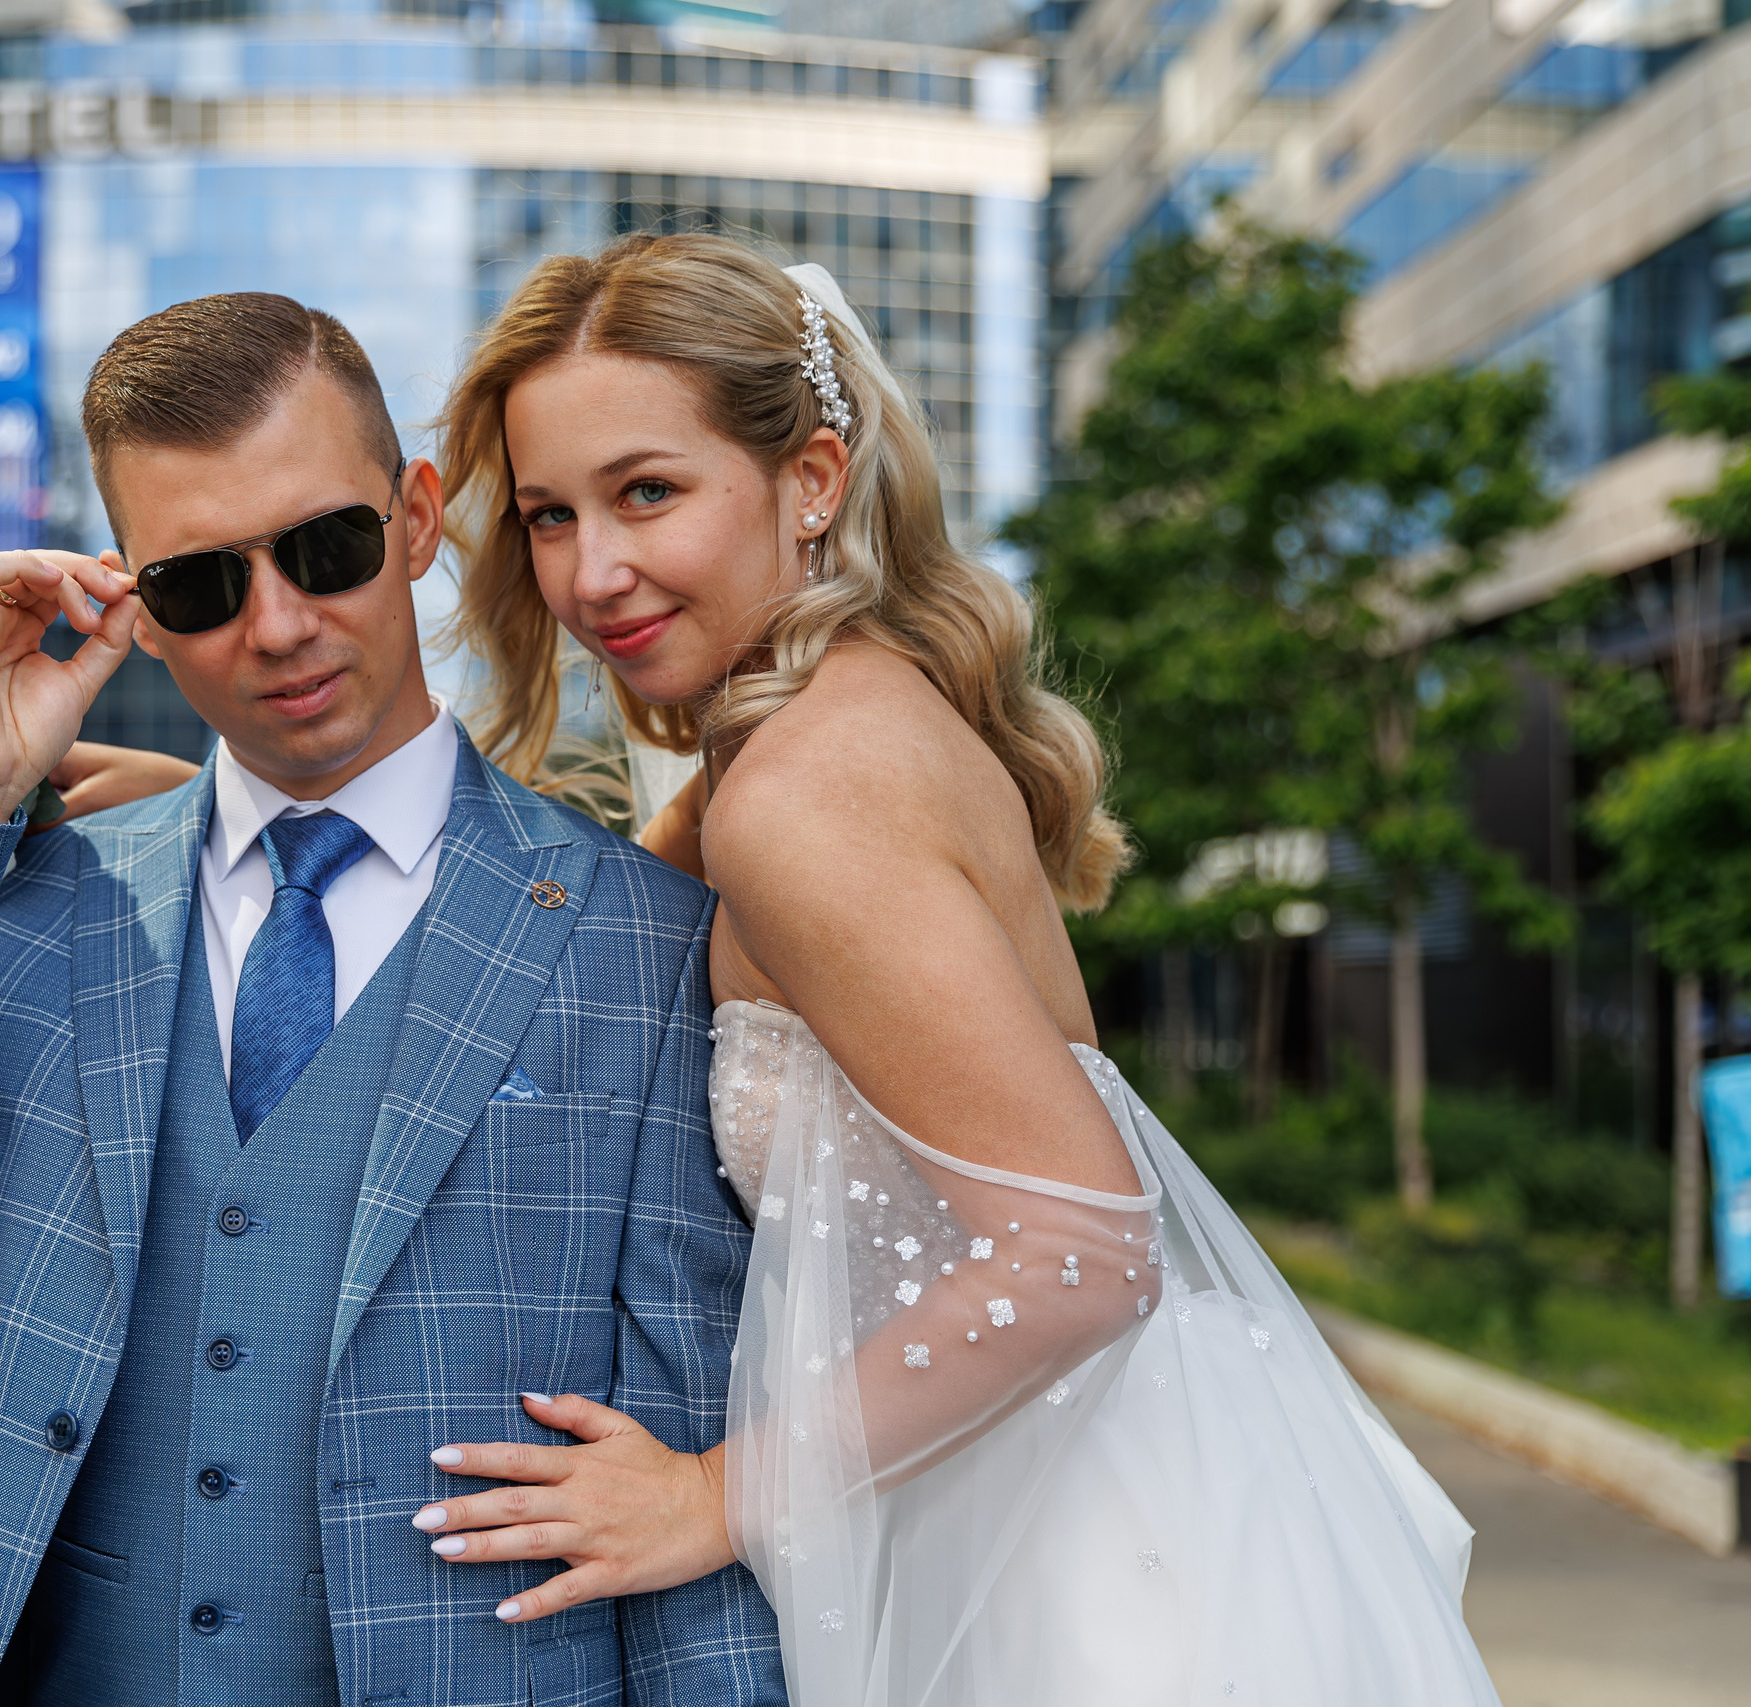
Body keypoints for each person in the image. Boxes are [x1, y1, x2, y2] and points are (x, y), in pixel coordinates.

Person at [408, 233, 1502, 1706]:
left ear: (811, 480)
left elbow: (1084, 1253)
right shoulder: (816, 731)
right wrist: (236, 822)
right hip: (1065, 1488)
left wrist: (715, 1496)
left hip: (1054, 1562)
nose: (591, 573)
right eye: (551, 515)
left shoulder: (801, 792)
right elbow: (565, 925)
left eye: (647, 491)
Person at [0, 292, 786, 1707]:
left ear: (415, 520)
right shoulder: (19, 909)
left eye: (327, 549)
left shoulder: (646, 946)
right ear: (137, 614)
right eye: (203, 585)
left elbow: (687, 1489)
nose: (277, 626)